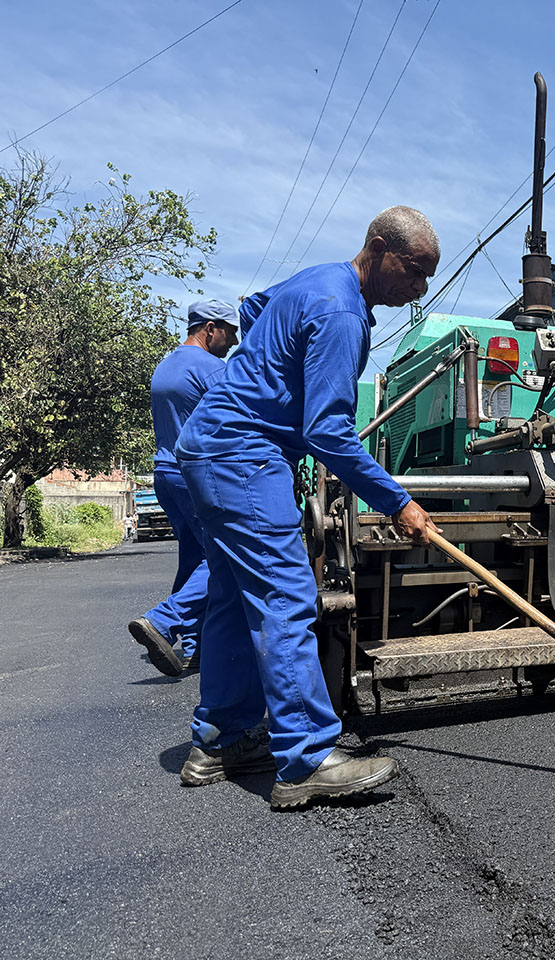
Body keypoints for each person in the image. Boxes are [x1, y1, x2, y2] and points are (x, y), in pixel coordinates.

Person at [174, 205, 441, 810]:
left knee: (230, 599)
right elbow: (328, 432)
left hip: (205, 449)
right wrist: (398, 502)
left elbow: (253, 308)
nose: (418, 287)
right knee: (286, 595)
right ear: (378, 247)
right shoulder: (342, 310)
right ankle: (306, 758)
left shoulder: (314, 281)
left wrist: (269, 376)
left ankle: (220, 741)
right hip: (245, 455)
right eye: (413, 270)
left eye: (427, 276)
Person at [127, 300, 238, 676]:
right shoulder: (210, 368)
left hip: (164, 474)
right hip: (195, 475)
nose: (235, 340)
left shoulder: (166, 364)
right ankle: (163, 620)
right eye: (230, 331)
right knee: (223, 556)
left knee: (194, 558)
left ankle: (194, 647)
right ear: (210, 328)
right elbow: (239, 420)